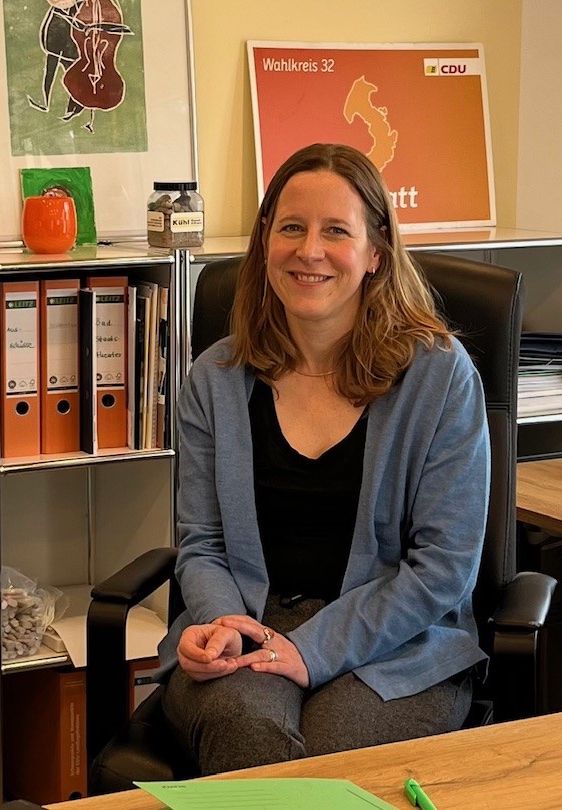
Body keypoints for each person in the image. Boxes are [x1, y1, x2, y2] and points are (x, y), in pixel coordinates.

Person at [158, 142, 489, 774]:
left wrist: (312, 650)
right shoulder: (215, 378)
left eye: (336, 231)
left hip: (397, 641)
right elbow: (202, 544)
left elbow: (444, 569)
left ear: (376, 253)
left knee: (336, 754)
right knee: (245, 726)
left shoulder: (440, 377)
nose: (309, 251)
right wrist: (222, 621)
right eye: (291, 228)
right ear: (264, 244)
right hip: (250, 624)